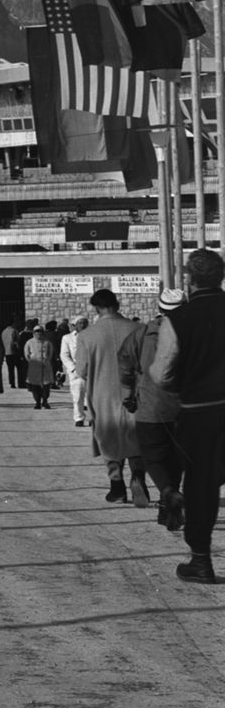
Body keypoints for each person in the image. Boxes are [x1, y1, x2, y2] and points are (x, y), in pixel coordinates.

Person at [151, 249, 225, 584]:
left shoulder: (177, 320)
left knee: (202, 487)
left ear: (190, 280)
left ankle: (201, 561)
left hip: (201, 413)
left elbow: (161, 374)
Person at [77, 289, 148, 507]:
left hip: (103, 394)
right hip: (135, 395)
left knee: (108, 437)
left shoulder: (87, 336)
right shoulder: (139, 329)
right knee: (136, 436)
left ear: (96, 308)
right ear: (117, 305)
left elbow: (81, 370)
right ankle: (138, 476)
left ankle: (117, 486)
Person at [122, 290, 185, 531]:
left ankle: (167, 492)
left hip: (149, 406)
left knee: (153, 456)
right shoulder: (191, 332)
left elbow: (125, 364)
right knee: (176, 459)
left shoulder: (140, 333)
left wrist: (128, 394)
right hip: (182, 407)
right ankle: (167, 507)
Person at [62, 315, 90, 426]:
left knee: (92, 397)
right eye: (80, 323)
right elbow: (64, 355)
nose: (83, 325)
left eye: (85, 322)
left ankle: (92, 418)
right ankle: (79, 418)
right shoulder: (67, 338)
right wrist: (73, 369)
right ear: (75, 325)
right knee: (78, 397)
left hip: (91, 371)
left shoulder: (92, 337)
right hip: (76, 372)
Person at [22, 319, 55, 409]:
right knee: (35, 386)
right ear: (33, 332)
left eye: (40, 331)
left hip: (45, 367)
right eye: (36, 332)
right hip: (34, 367)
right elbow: (26, 354)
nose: (38, 333)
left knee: (46, 386)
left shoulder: (47, 342)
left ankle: (45, 400)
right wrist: (33, 362)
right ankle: (37, 402)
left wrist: (46, 361)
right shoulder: (29, 342)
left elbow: (50, 354)